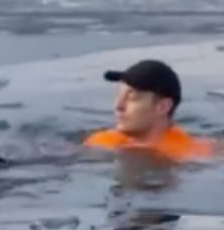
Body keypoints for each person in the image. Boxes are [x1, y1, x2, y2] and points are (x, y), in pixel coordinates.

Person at [83, 59, 213, 161]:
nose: (119, 106)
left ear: (163, 107)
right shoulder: (100, 144)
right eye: (118, 95)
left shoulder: (192, 153)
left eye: (132, 97)